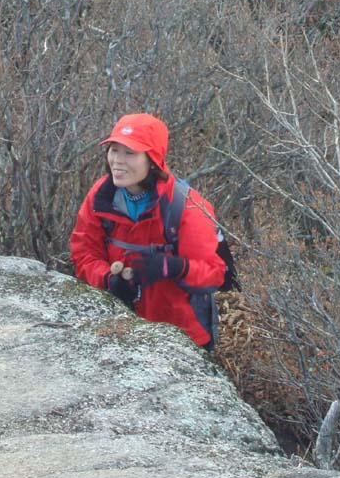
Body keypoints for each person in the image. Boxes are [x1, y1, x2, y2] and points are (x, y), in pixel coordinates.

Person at [70, 113, 226, 349]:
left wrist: (173, 267)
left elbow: (215, 274)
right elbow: (83, 253)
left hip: (182, 338)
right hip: (121, 329)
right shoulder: (101, 196)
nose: (117, 161)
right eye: (114, 149)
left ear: (153, 160)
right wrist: (108, 278)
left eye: (130, 153)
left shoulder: (186, 206)